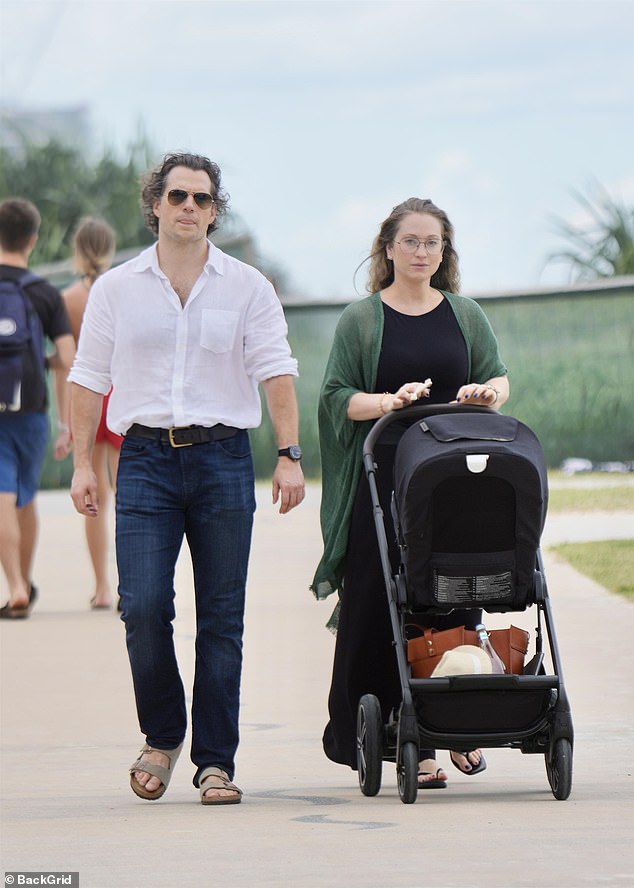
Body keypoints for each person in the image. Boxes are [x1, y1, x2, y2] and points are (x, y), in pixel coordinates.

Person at [68, 152, 305, 805]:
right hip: (142, 459)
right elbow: (88, 376)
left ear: (215, 211)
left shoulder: (248, 286)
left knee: (221, 617)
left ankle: (215, 763)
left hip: (224, 458)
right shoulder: (116, 288)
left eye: (201, 198)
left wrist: (290, 453)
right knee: (142, 607)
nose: (189, 207)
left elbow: (276, 369)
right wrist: (84, 463)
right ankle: (164, 733)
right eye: (178, 196)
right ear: (155, 205)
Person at [311, 198, 509, 788]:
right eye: (412, 241)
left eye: (433, 243)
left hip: (453, 479)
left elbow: (499, 374)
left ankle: (460, 720)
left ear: (443, 252)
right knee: (381, 605)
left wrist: (486, 393)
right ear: (388, 248)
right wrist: (388, 402)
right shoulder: (362, 320)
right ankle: (407, 741)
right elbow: (335, 397)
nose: (423, 252)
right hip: (385, 478)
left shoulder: (465, 314)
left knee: (453, 593)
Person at [0, 198, 74, 619]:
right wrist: (41, 362)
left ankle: (13, 587)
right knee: (23, 501)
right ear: (32, 239)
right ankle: (23, 581)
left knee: (2, 498)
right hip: (31, 412)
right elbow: (68, 356)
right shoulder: (44, 293)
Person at [62, 217, 120, 609]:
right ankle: (127, 584)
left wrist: (66, 421)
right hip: (119, 394)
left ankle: (101, 586)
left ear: (77, 251)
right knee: (128, 492)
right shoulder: (120, 289)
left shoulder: (68, 299)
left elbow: (67, 365)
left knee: (93, 495)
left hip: (86, 396)